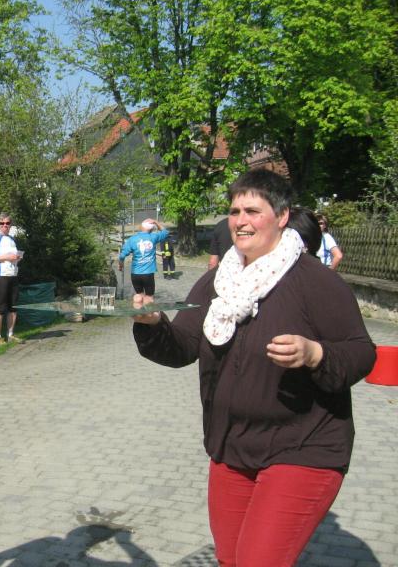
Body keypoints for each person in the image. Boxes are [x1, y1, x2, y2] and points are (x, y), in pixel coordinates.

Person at [131, 169, 375, 566]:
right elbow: (184, 347)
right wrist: (154, 324)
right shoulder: (217, 281)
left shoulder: (313, 280)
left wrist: (315, 354)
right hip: (232, 444)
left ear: (281, 216)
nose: (240, 221)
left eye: (252, 211)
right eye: (234, 211)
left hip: (303, 446)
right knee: (230, 560)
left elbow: (361, 352)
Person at [0, 212, 23, 345]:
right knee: (1, 307)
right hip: (0, 276)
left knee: (13, 307)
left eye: (7, 223)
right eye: (2, 223)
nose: (5, 225)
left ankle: (10, 335)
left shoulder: (12, 239)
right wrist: (6, 257)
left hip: (13, 275)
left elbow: (13, 257)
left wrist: (17, 258)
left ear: (10, 224)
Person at [118, 218, 169, 299]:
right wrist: (156, 222)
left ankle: (138, 306)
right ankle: (148, 307)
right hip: (148, 274)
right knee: (149, 297)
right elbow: (165, 232)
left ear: (141, 227)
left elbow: (122, 256)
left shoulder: (132, 239)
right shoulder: (153, 237)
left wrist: (120, 265)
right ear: (151, 229)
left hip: (135, 274)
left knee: (139, 296)